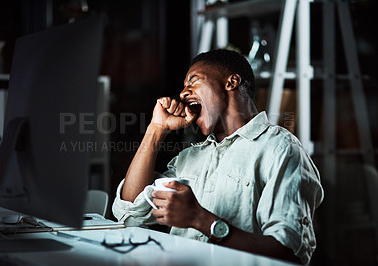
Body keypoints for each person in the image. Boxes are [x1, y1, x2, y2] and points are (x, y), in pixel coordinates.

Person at [112, 49, 324, 264]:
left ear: (231, 82)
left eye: (193, 81)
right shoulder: (191, 156)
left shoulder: (280, 149)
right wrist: (156, 130)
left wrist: (199, 219)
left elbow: (290, 252)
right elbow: (131, 214)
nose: (184, 93)